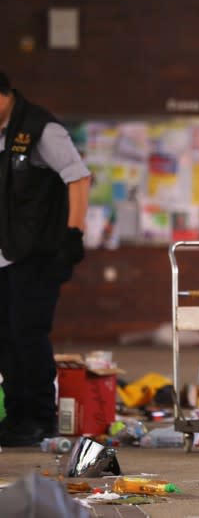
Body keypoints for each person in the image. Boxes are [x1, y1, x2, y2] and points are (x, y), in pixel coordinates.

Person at [0, 72, 91, 446]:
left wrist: (73, 234)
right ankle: (18, 418)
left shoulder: (41, 128)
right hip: (7, 256)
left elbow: (79, 178)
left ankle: (40, 418)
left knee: (28, 334)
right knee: (6, 338)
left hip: (38, 255)